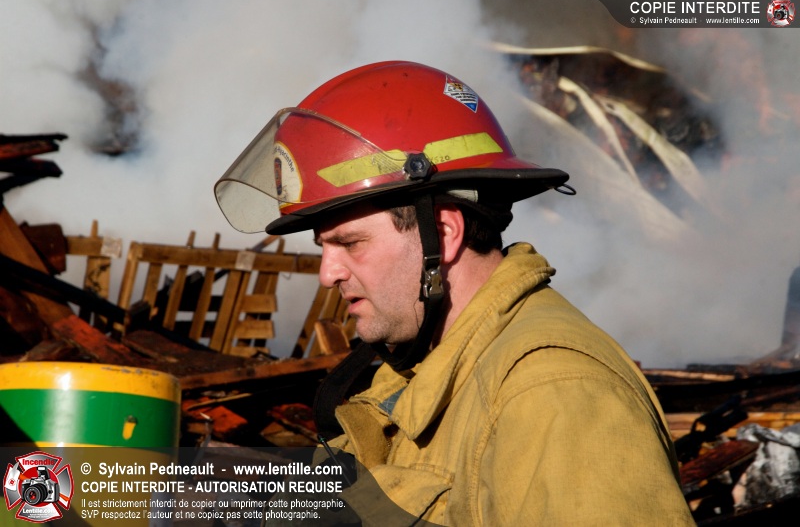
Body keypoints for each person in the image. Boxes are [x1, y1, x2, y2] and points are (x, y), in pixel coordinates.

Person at [215, 61, 695, 525]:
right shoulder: (422, 372)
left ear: (442, 235)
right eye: (324, 247)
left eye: (351, 243)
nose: (328, 274)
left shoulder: (557, 395)